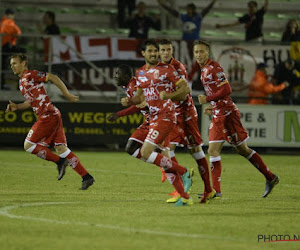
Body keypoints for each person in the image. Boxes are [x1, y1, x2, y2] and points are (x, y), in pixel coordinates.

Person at [194, 40, 279, 198]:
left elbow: (227, 89)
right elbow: (218, 91)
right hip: (218, 113)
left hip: (228, 115)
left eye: (202, 52)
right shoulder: (204, 70)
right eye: (196, 52)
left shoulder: (214, 67)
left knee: (242, 150)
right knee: (212, 150)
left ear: (208, 52)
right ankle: (216, 191)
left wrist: (208, 98)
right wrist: (213, 104)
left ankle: (270, 177)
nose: (199, 55)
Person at [6, 54, 94, 190]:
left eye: (15, 63)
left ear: (24, 63)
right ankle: (86, 177)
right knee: (61, 149)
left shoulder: (30, 75)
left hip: (48, 115)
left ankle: (60, 162)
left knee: (28, 145)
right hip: (53, 114)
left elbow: (53, 77)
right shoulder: (22, 82)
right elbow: (31, 102)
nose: (12, 66)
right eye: (11, 64)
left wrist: (67, 94)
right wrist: (17, 107)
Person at [121, 40, 193, 206]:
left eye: (155, 51)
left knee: (146, 152)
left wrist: (169, 96)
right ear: (143, 53)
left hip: (165, 116)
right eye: (150, 52)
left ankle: (184, 172)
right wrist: (130, 101)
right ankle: (185, 197)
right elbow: (140, 97)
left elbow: (185, 89)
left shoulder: (166, 70)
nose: (154, 54)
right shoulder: (140, 73)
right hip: (153, 118)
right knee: (157, 156)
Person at [158, 39, 214, 203]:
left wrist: (167, 97)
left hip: (185, 114)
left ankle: (208, 190)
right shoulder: (158, 69)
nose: (166, 52)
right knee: (166, 149)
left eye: (169, 49)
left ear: (172, 51)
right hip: (171, 115)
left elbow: (184, 93)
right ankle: (181, 186)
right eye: (163, 50)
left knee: (196, 152)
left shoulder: (178, 67)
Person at [1, 8, 23, 90]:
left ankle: (2, 84)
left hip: (3, 47)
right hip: (8, 46)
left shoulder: (2, 22)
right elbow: (18, 33)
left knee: (2, 66)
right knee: (23, 57)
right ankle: (21, 85)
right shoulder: (9, 23)